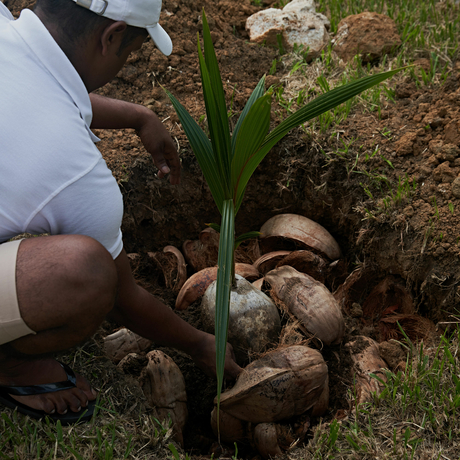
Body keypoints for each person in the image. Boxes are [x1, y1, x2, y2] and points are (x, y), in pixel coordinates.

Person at [0, 0, 241, 424]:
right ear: (110, 36)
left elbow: (42, 88)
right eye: (129, 52)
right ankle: (11, 366)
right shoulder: (73, 170)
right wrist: (203, 344)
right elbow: (123, 301)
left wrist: (137, 115)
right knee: (87, 274)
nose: (124, 62)